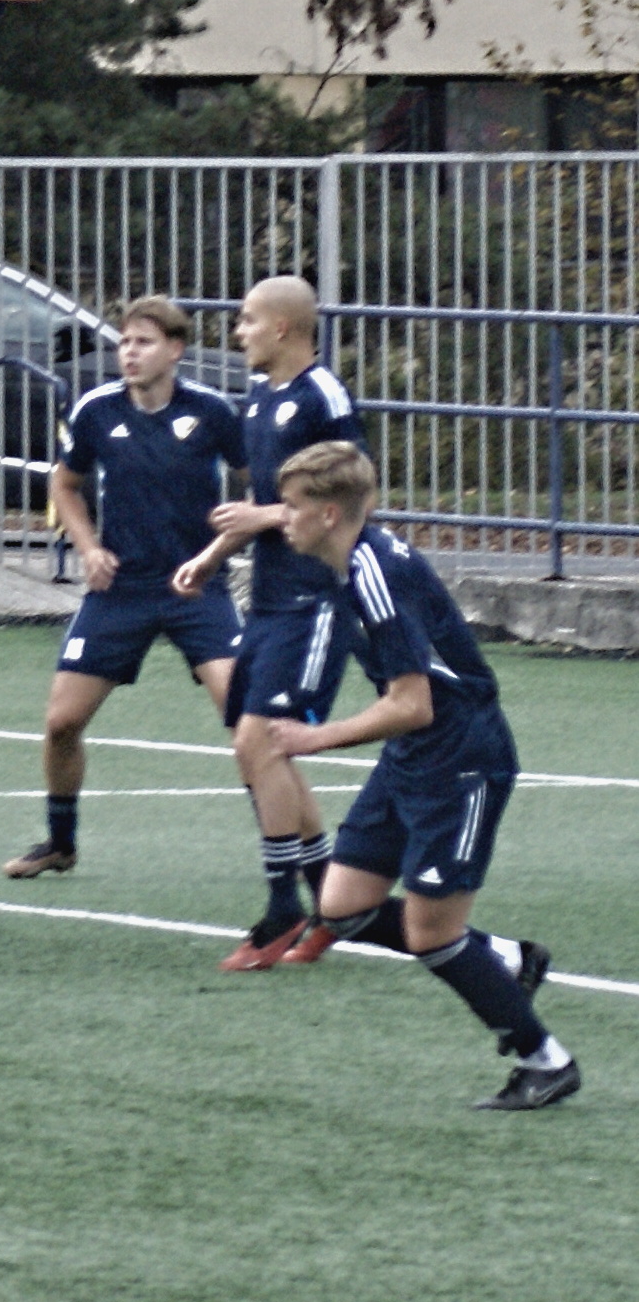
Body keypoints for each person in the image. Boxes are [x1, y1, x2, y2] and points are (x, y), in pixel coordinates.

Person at [268, 442, 576, 1110]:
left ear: (326, 514)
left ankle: (544, 1060)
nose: (280, 518)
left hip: (460, 759)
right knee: (342, 908)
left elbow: (414, 703)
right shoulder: (350, 561)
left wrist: (315, 737)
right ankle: (506, 959)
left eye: (289, 506)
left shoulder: (374, 576)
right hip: (413, 754)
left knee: (430, 933)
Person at [2, 296, 247, 879]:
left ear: (175, 350)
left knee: (248, 725)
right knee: (62, 722)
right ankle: (60, 842)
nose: (130, 353)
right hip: (121, 591)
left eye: (144, 342)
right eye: (125, 343)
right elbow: (64, 485)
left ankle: (288, 862)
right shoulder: (96, 410)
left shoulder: (213, 412)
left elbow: (255, 488)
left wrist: (217, 553)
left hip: (197, 590)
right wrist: (89, 548)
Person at [174, 275, 365, 971]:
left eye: (247, 320)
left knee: (264, 740)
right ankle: (331, 900)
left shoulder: (323, 397)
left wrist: (259, 518)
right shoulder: (259, 398)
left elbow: (353, 502)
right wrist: (209, 557)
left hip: (318, 602)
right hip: (268, 601)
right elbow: (262, 505)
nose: (237, 333)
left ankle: (284, 908)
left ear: (282, 328)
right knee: (252, 746)